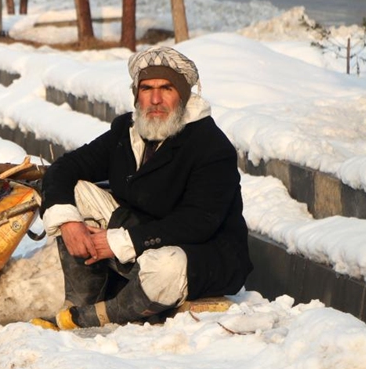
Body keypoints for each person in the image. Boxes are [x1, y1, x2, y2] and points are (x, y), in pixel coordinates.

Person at [31, 46, 253, 331]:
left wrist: (120, 241)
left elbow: (198, 223)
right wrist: (71, 222)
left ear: (183, 95)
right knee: (71, 194)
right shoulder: (126, 131)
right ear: (137, 95)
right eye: (147, 89)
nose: (156, 99)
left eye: (167, 88)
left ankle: (96, 316)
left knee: (165, 268)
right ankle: (78, 303)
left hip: (199, 253)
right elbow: (65, 167)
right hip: (138, 235)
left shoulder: (211, 146)